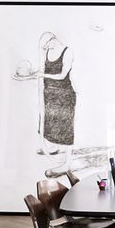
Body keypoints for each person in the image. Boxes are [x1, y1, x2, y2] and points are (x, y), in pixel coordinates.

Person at [35, 31, 76, 169]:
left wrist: (43, 74)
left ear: (53, 39)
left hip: (64, 96)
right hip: (50, 95)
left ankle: (67, 163)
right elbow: (43, 71)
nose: (46, 49)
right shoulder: (48, 53)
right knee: (51, 124)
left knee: (65, 128)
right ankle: (54, 148)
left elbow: (62, 75)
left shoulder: (67, 52)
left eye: (46, 45)